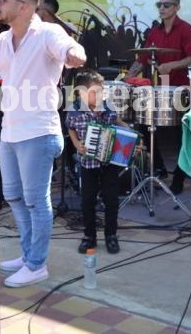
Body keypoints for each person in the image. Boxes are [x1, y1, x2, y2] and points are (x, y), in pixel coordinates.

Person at [0, 0, 86, 288]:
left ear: (23, 6)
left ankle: (36, 264)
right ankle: (28, 254)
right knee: (14, 197)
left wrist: (74, 56)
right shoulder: (5, 40)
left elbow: (72, 50)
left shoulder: (48, 33)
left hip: (38, 132)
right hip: (10, 131)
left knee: (35, 200)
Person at [125, 0, 191, 194]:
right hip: (162, 87)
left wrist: (173, 65)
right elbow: (142, 58)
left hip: (182, 88)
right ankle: (157, 167)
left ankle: (180, 176)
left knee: (181, 134)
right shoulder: (154, 32)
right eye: (160, 5)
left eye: (167, 5)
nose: (162, 8)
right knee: (143, 124)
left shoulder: (186, 29)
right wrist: (127, 78)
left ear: (176, 7)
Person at [66, 69, 129, 255]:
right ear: (81, 93)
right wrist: (77, 144)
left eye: (102, 91)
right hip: (88, 164)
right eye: (96, 92)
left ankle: (111, 235)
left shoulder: (107, 108)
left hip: (109, 162)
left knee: (111, 199)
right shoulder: (74, 111)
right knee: (87, 200)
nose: (100, 95)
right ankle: (89, 236)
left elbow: (118, 122)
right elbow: (70, 129)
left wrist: (132, 136)